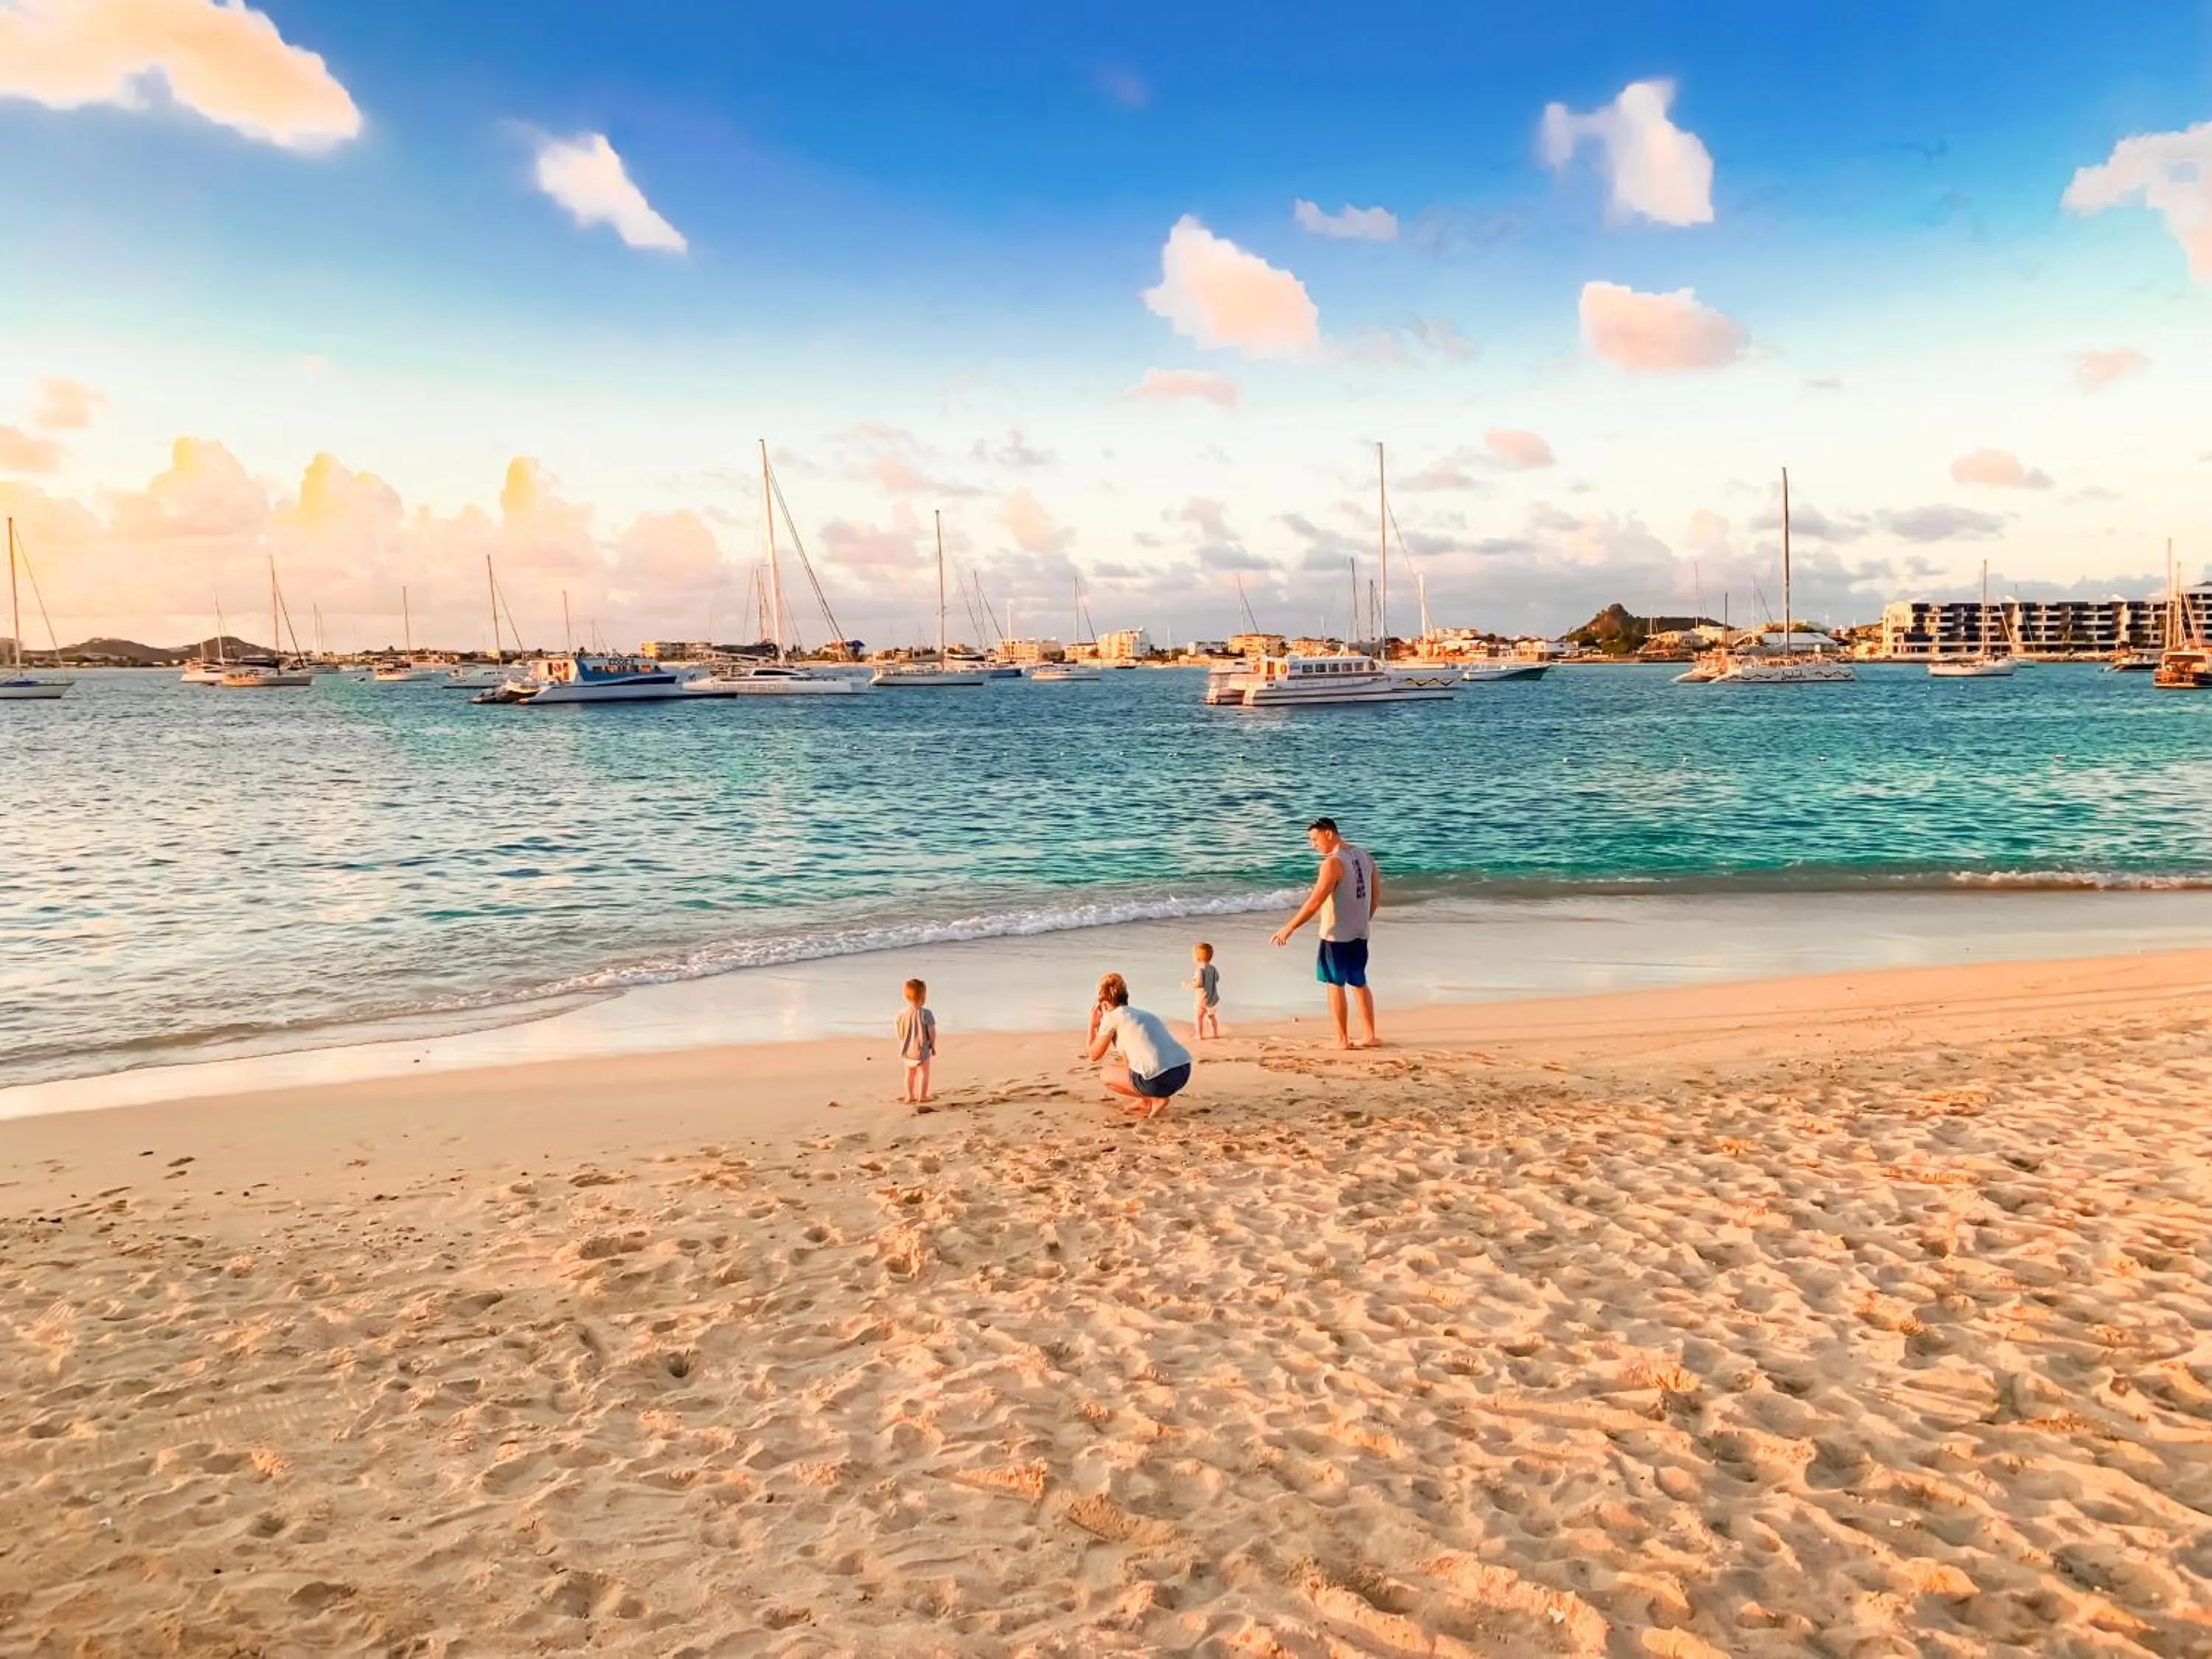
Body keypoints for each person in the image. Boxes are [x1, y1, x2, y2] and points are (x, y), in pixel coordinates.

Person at [1270, 816, 1381, 1048]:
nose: (1313, 846)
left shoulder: (1332, 864)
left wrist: (1289, 927)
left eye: (1315, 839)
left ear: (1329, 833)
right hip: (1360, 932)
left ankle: (1342, 1040)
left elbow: (1314, 903)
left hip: (1336, 935)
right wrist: (1364, 920)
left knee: (1335, 984)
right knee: (1359, 982)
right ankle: (1370, 1036)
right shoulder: (1364, 855)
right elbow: (1375, 894)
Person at [1082, 972, 1193, 1119]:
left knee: (1105, 1075)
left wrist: (1092, 1025)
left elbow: (1094, 1055)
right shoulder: (1143, 1015)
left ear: (1103, 1003)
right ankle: (1145, 1101)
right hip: (1183, 1071)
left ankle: (1156, 1099)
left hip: (1158, 1080)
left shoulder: (1112, 1017)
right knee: (1130, 1059)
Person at [895, 977, 937, 1102]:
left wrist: (902, 1043)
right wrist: (933, 1045)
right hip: (922, 1048)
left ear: (905, 997)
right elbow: (932, 1031)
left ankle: (909, 1096)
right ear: (923, 997)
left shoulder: (900, 1014)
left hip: (907, 1049)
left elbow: (899, 1031)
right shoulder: (926, 1014)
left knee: (909, 1073)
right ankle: (922, 1096)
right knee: (924, 1073)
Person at [1186, 942, 1222, 1040]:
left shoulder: (1200, 970)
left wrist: (1189, 985)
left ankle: (1199, 1035)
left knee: (1199, 1017)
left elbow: (1199, 983)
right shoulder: (1213, 969)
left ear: (1197, 958)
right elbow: (1217, 979)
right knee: (1212, 1017)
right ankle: (1215, 1033)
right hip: (1213, 999)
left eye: (1193, 955)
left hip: (1202, 999)